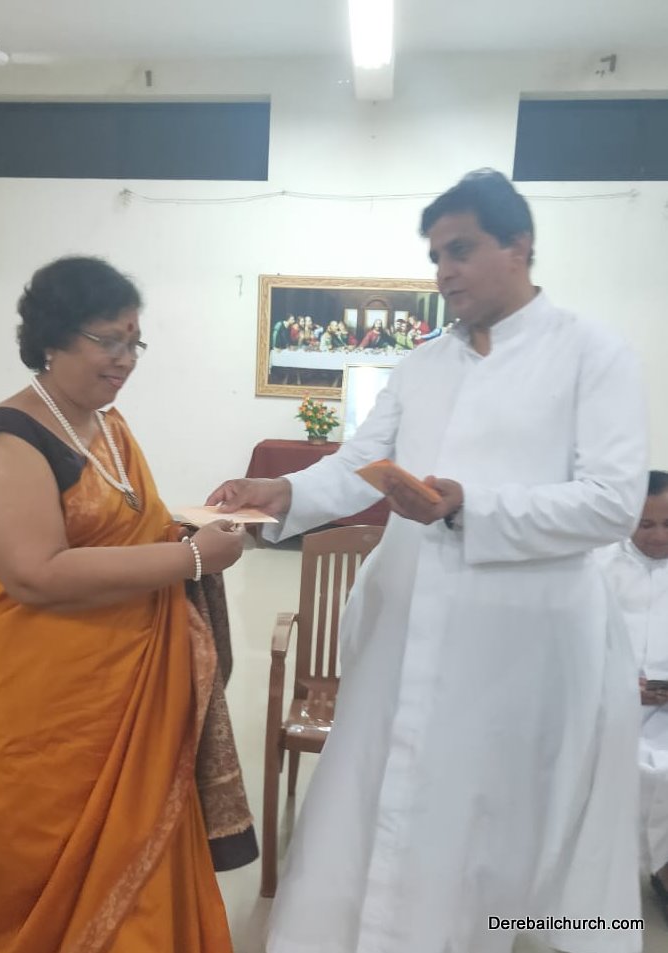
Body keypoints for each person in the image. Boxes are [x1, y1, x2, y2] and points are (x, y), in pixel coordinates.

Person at [207, 170, 648, 953]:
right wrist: (283, 492)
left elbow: (612, 503)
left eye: (461, 250)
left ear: (519, 245)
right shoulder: (422, 365)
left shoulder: (592, 353)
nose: (444, 271)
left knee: (488, 827)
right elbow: (362, 464)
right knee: (375, 805)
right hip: (402, 634)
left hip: (521, 646)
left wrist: (471, 506)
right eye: (436, 255)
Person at [0, 256, 247, 953]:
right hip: (32, 699)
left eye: (134, 341)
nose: (125, 359)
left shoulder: (108, 427)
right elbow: (36, 574)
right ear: (52, 337)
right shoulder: (8, 440)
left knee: (137, 863)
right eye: (108, 340)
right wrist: (195, 559)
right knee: (41, 863)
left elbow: (135, 526)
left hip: (125, 689)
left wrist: (189, 532)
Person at [598, 471, 668, 922]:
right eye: (646, 524)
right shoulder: (597, 567)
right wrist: (617, 682)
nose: (659, 535)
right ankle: (601, 889)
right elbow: (572, 644)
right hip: (607, 709)